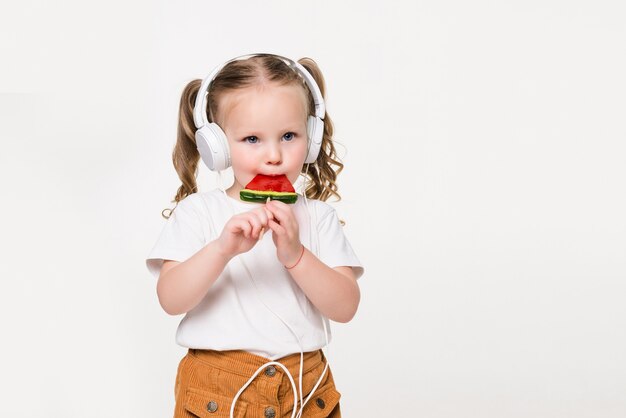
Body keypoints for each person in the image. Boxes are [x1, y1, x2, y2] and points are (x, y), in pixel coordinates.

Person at [146, 53, 364, 418]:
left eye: (289, 136)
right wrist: (222, 250)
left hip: (305, 387)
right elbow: (170, 299)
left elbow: (346, 307)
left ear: (311, 138)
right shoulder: (199, 213)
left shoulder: (317, 216)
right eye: (252, 139)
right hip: (216, 389)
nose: (274, 155)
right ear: (216, 145)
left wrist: (296, 255)